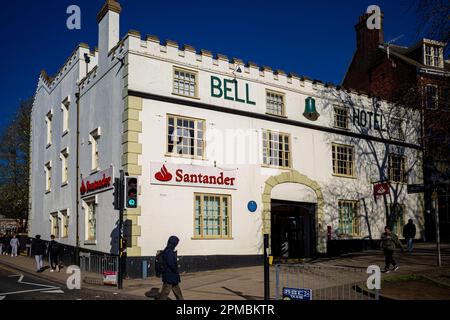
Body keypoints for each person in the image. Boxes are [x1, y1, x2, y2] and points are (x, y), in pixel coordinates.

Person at [158, 236, 184, 300]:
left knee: (177, 292)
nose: (176, 244)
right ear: (174, 242)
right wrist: (175, 269)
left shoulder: (168, 249)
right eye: (176, 243)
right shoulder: (169, 251)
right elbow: (170, 263)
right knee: (165, 293)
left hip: (172, 276)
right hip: (170, 275)